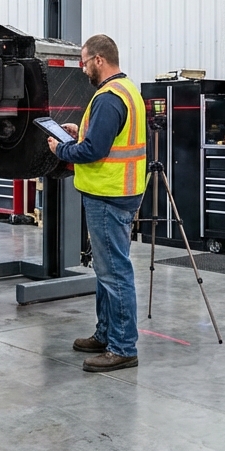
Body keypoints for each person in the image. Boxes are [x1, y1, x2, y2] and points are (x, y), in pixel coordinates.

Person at [48, 34, 147, 373]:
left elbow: (94, 151)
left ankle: (122, 347)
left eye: (84, 61)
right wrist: (80, 132)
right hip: (118, 191)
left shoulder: (108, 98)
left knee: (114, 272)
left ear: (99, 60)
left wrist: (61, 149)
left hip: (109, 194)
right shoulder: (127, 90)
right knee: (107, 271)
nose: (83, 68)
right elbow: (104, 138)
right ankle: (106, 334)